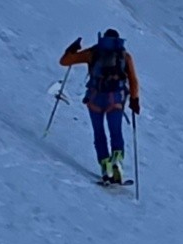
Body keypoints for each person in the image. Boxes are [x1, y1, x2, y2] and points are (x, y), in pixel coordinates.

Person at [60, 29, 140, 183]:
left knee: (99, 133)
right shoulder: (124, 55)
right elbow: (133, 80)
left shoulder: (93, 52)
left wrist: (71, 49)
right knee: (115, 131)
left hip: (95, 99)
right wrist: (134, 100)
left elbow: (65, 62)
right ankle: (117, 160)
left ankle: (105, 167)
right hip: (115, 99)